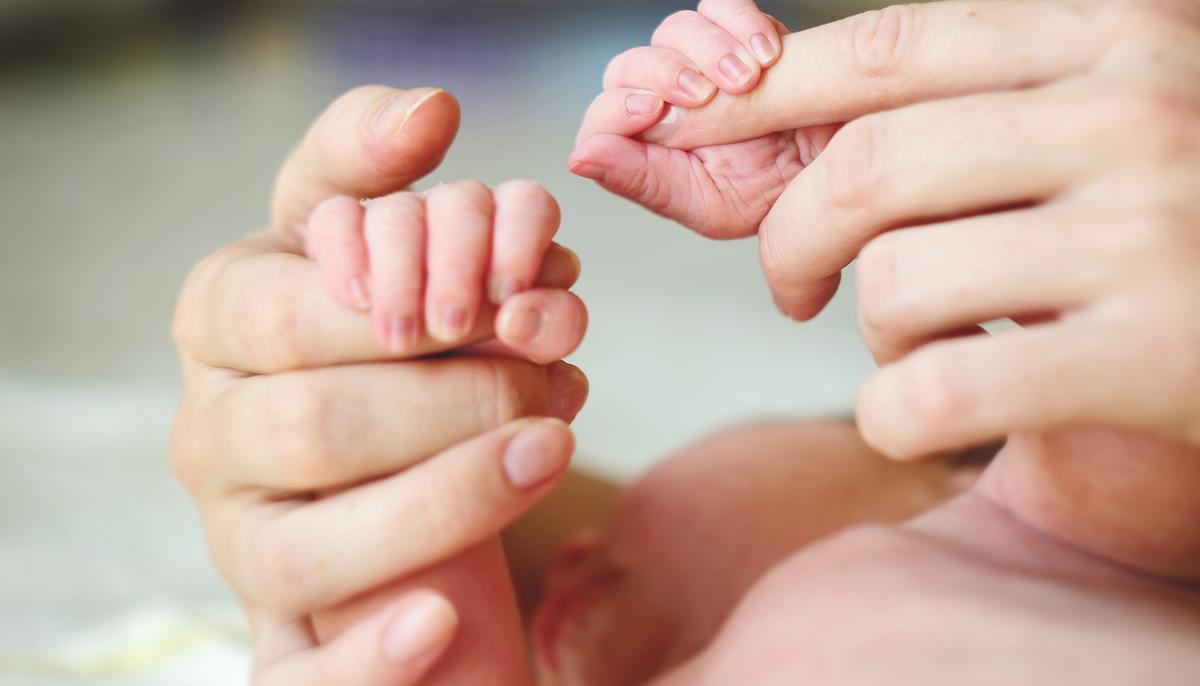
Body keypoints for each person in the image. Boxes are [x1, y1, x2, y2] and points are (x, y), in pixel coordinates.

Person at [170, 1, 1200, 684]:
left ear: (961, 454)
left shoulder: (1054, 540)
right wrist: (388, 402)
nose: (569, 545)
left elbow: (1116, 350)